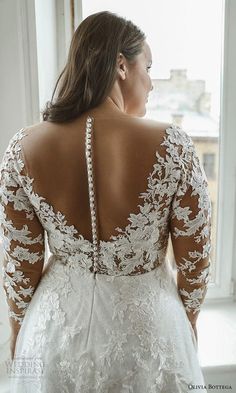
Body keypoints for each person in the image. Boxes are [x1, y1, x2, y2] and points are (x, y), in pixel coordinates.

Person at [0, 10, 211, 393]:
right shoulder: (173, 145)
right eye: (147, 66)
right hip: (150, 336)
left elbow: (21, 268)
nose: (151, 84)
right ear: (121, 66)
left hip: (56, 336)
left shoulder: (22, 148)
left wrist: (20, 333)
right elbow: (194, 264)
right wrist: (189, 323)